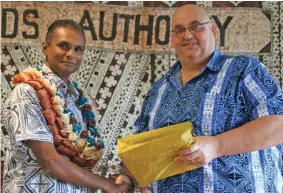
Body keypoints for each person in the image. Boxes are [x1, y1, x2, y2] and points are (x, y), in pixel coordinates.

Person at [117, 4, 283, 193]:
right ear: (173, 39)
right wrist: (130, 178)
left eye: (196, 26)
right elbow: (141, 151)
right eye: (179, 30)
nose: (187, 35)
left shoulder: (243, 70)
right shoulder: (158, 90)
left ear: (213, 30)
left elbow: (279, 123)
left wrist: (217, 145)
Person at [2, 19, 131, 193]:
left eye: (78, 49)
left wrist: (116, 181)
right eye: (63, 46)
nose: (71, 54)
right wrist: (106, 185)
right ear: (45, 48)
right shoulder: (27, 92)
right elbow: (50, 162)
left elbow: (80, 161)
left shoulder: (80, 101)